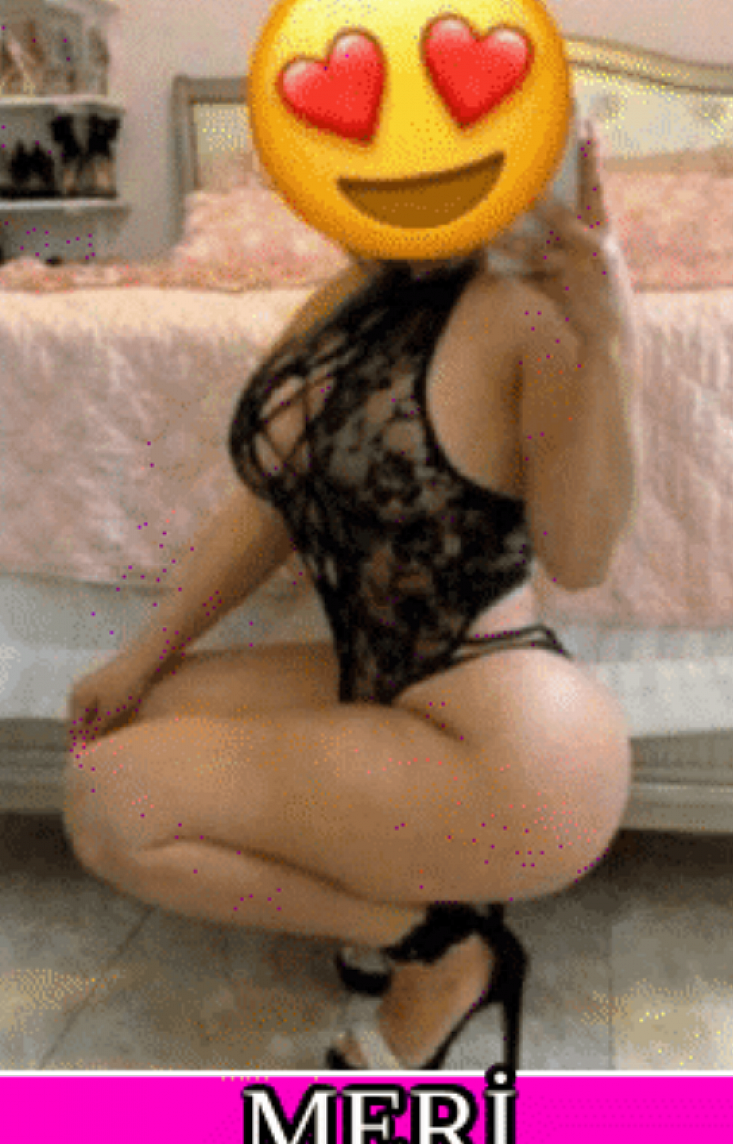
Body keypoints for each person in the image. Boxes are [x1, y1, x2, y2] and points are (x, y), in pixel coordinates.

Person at [65, 125, 639, 1074]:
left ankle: (440, 950)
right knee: (140, 719)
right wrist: (143, 654)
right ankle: (417, 894)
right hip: (385, 686)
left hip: (509, 742)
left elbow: (579, 560)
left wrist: (608, 337)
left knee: (107, 805)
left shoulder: (528, 309)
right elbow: (273, 509)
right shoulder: (349, 298)